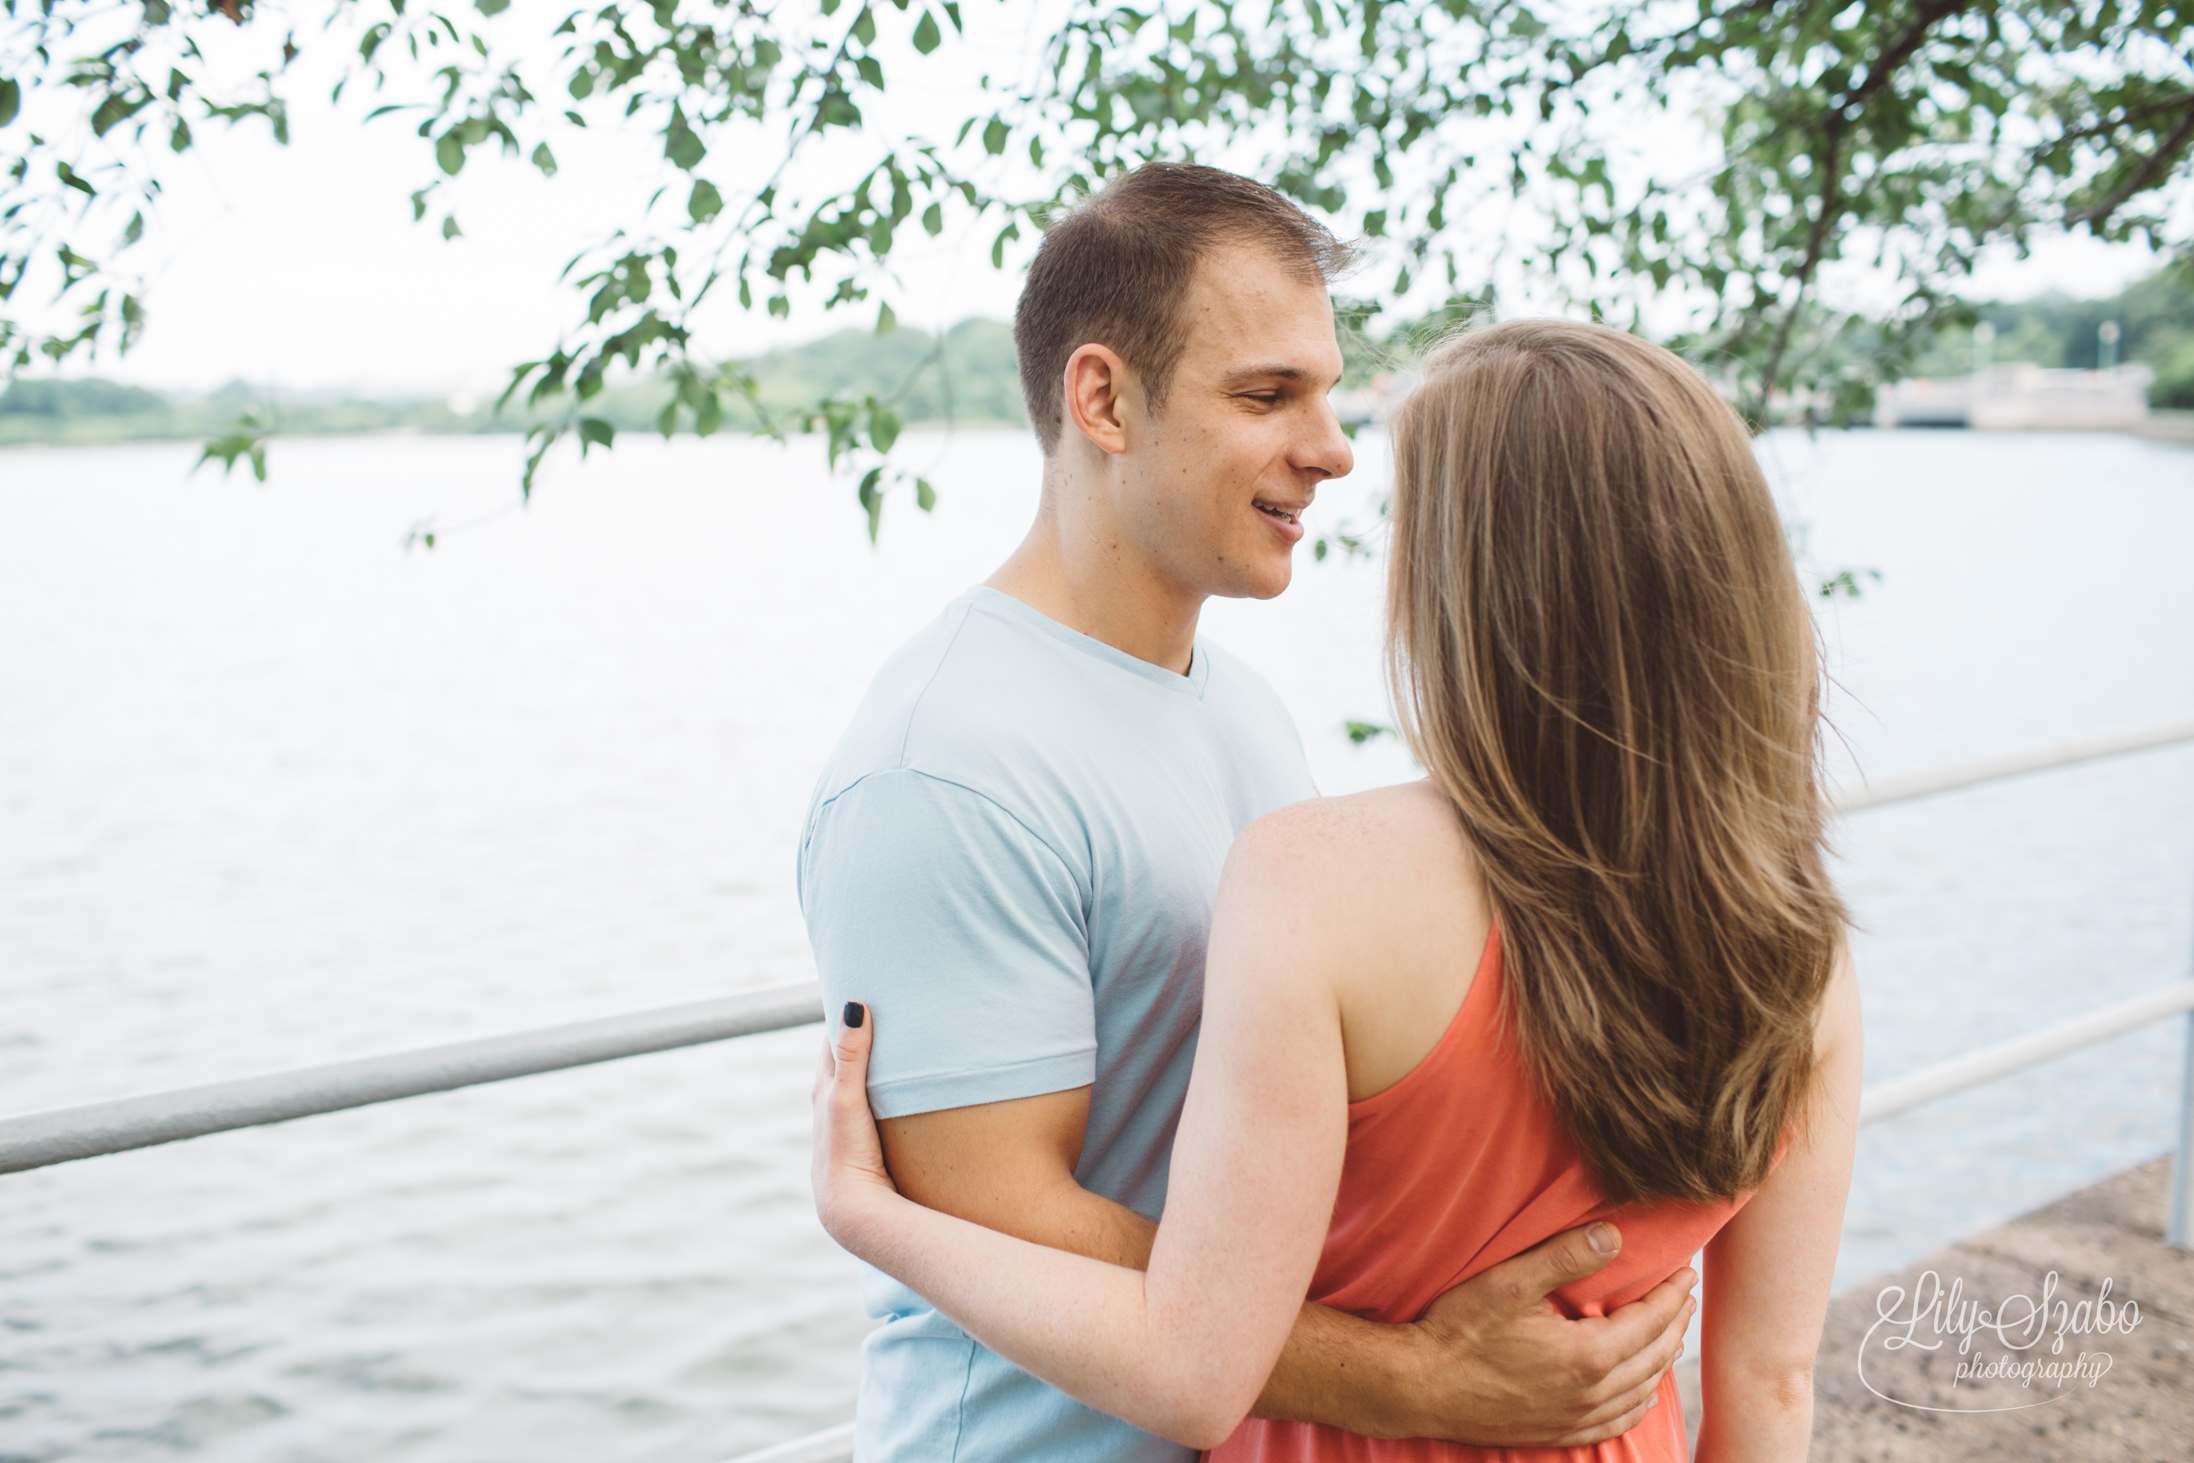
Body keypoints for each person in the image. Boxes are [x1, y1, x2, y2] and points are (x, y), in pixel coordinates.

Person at [812, 318, 1864, 1461]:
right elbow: (1768, 1384)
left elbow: (1194, 1366)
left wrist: (873, 1217)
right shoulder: (1803, 955)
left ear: (1472, 580)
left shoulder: (1312, 880)